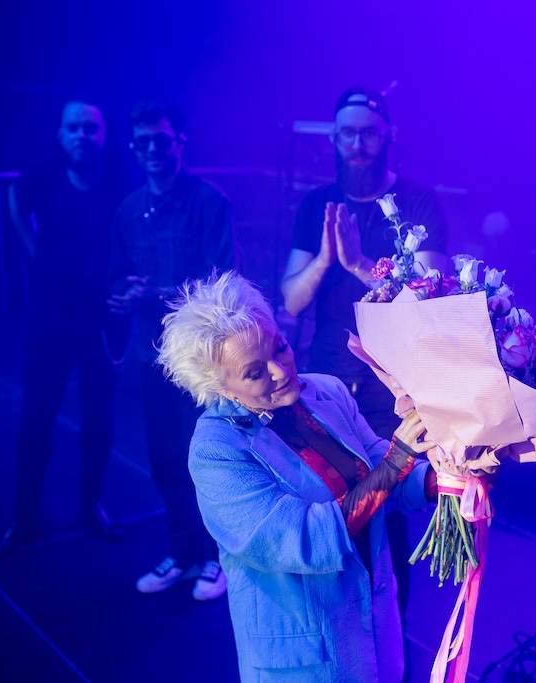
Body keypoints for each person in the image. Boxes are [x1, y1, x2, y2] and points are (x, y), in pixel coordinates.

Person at [156, 270, 436, 683]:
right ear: (221, 387)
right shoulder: (216, 449)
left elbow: (378, 464)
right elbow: (301, 538)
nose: (280, 370)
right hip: (306, 660)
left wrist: (447, 481)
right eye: (255, 372)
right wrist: (396, 463)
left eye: (280, 347)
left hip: (377, 633)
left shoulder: (327, 391)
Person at [280, 87, 448, 645]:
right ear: (334, 138)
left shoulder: (418, 201)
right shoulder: (316, 205)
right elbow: (292, 301)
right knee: (330, 503)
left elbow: (432, 301)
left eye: (368, 133)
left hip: (389, 389)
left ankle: (390, 637)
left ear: (387, 136)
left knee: (387, 509)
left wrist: (357, 265)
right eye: (347, 133)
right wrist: (326, 260)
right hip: (325, 383)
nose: (358, 143)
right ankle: (342, 638)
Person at [0, 99, 133, 558]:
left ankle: (90, 506)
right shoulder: (43, 175)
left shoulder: (121, 180)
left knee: (99, 417)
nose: (82, 135)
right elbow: (16, 203)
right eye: (73, 128)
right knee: (36, 417)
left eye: (91, 128)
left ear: (104, 135)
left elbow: (139, 231)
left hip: (103, 320)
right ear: (60, 134)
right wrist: (37, 253)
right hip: (49, 319)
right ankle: (24, 517)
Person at [109, 99, 236, 600]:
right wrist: (123, 293)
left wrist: (153, 295)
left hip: (201, 362)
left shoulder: (209, 203)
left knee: (208, 461)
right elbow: (118, 272)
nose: (152, 149)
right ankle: (183, 553)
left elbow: (221, 284)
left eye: (161, 140)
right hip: (151, 357)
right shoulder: (127, 209)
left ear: (179, 142)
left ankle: (217, 559)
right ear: (133, 147)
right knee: (165, 462)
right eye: (142, 142)